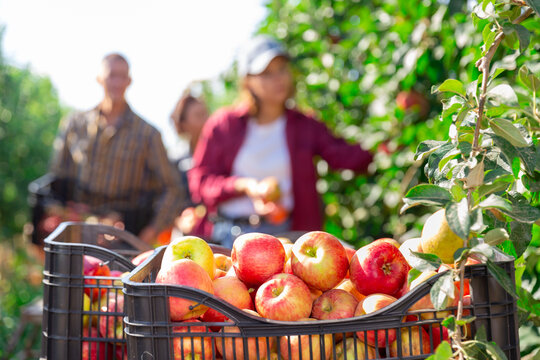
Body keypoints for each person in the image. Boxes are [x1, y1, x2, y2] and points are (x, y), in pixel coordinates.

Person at [188, 36, 373, 248]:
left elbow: (345, 156)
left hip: (288, 238)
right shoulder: (224, 125)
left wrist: (388, 141)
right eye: (267, 73)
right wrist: (245, 186)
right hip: (232, 238)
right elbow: (200, 182)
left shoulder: (304, 125)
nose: (279, 78)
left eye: (282, 69)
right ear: (248, 81)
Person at [48, 53, 185, 244]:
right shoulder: (74, 125)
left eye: (122, 76)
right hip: (78, 231)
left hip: (125, 235)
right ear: (99, 79)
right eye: (112, 75)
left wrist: (150, 232)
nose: (117, 82)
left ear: (129, 81)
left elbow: (172, 188)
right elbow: (57, 177)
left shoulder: (148, 134)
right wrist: (57, 214)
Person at [169, 92, 212, 239]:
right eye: (199, 116)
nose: (206, 120)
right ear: (184, 124)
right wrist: (178, 220)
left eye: (206, 114)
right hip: (186, 236)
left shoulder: (219, 157)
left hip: (218, 232)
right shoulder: (176, 161)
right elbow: (169, 199)